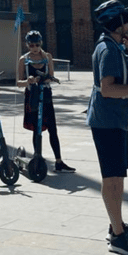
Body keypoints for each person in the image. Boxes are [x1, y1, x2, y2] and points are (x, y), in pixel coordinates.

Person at [87, 0, 128, 255]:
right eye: (126, 20)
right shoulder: (108, 50)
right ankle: (117, 236)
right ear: (117, 23)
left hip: (116, 120)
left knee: (118, 176)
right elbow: (108, 89)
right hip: (106, 121)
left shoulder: (118, 47)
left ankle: (116, 223)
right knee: (112, 178)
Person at [16, 30, 75, 173]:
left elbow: (52, 76)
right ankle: (37, 159)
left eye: (36, 44)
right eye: (31, 45)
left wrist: (46, 78)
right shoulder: (23, 60)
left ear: (41, 43)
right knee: (37, 129)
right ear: (27, 45)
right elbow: (18, 82)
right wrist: (28, 81)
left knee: (52, 128)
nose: (34, 48)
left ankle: (59, 162)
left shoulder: (47, 57)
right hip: (32, 95)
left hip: (46, 94)